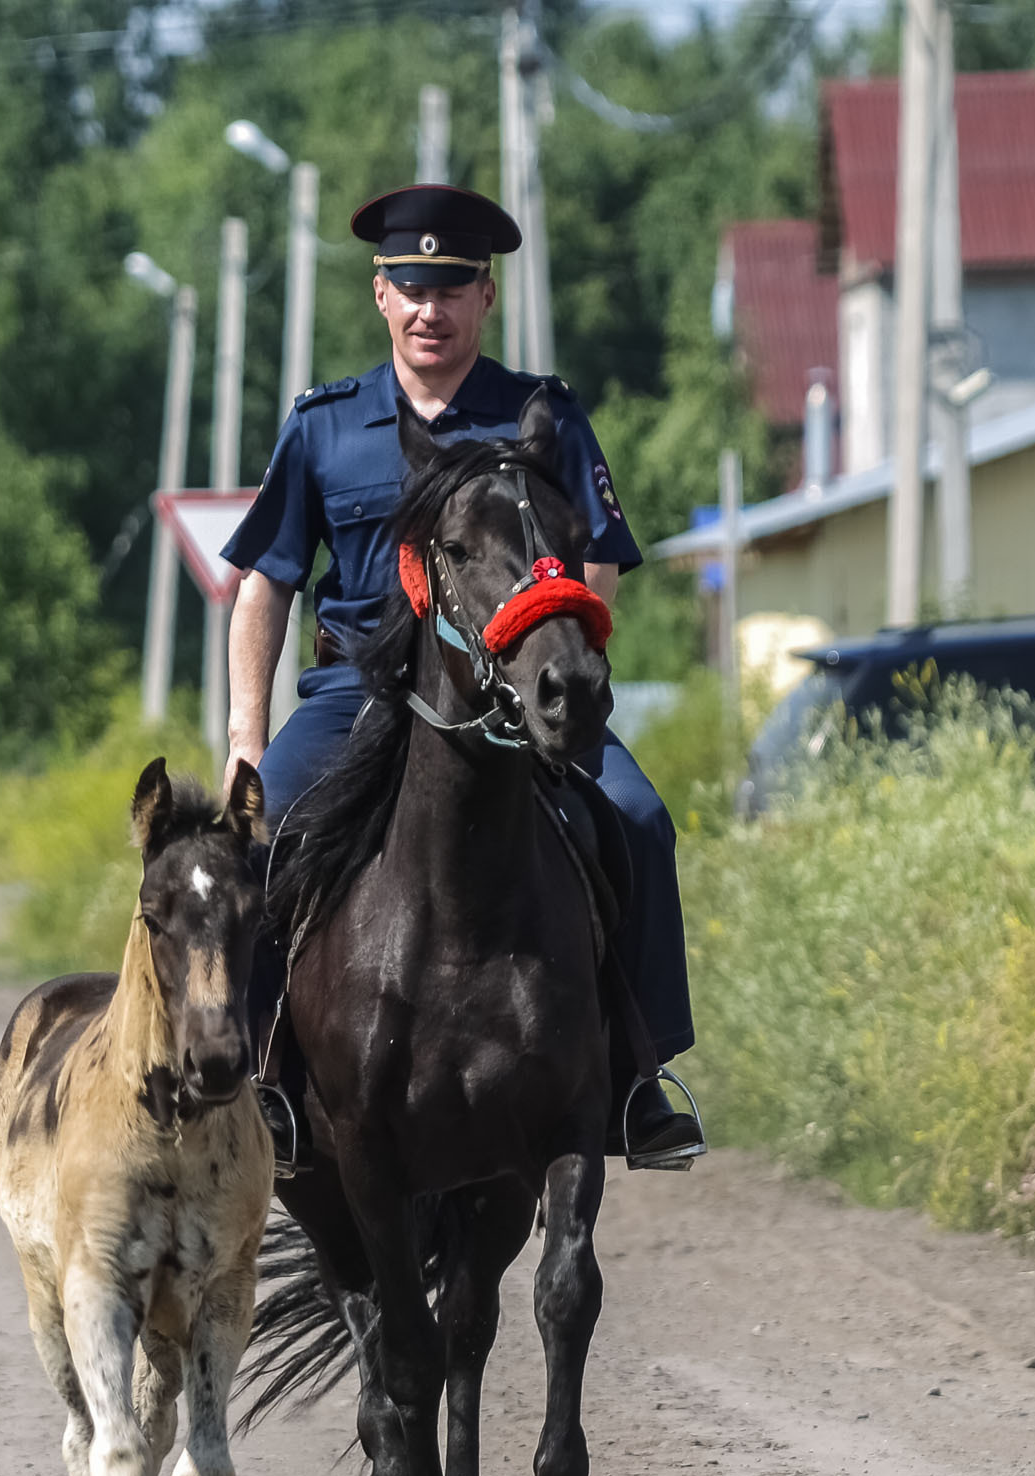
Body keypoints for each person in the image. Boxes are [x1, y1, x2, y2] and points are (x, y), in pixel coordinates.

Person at [218, 182, 703, 1170]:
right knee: (270, 834)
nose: (429, 305)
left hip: (517, 687)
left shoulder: (543, 417)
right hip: (357, 692)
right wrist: (243, 737)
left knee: (639, 819)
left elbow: (598, 552)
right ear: (380, 295)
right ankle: (264, 1080)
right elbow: (265, 587)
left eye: (451, 285)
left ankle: (638, 1078)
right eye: (410, 284)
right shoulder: (322, 426)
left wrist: (555, 659)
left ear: (486, 296)